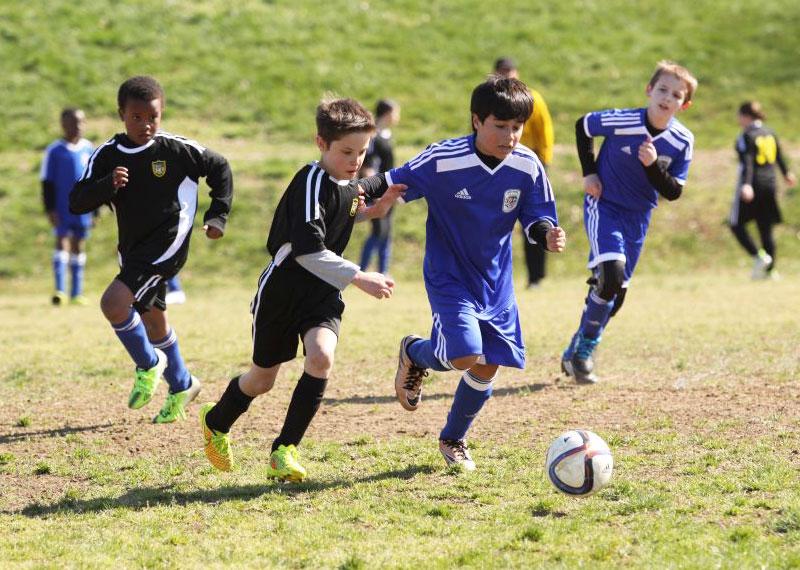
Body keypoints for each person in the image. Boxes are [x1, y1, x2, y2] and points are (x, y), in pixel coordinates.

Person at [198, 97, 404, 480]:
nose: (355, 160)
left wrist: (379, 207)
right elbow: (309, 248)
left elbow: (346, 214)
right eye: (346, 151)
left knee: (322, 357)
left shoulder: (347, 183)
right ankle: (216, 421)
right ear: (321, 143)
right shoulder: (310, 182)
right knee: (263, 379)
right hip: (283, 290)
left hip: (322, 293)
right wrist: (360, 276)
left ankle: (284, 451)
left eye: (361, 152)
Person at [390, 76, 566, 470]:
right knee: (465, 354)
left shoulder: (527, 165)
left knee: (488, 366)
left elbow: (536, 215)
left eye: (516, 127)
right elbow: (394, 180)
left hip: (496, 282)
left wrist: (545, 234)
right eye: (499, 126)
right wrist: (350, 194)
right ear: (476, 121)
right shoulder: (443, 159)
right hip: (450, 275)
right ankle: (415, 352)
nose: (510, 136)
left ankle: (454, 439)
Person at [70, 76, 233, 423]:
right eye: (136, 117)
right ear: (121, 115)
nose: (145, 125)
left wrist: (217, 214)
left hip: (168, 243)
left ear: (162, 113)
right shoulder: (108, 155)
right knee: (154, 323)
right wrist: (106, 184)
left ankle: (149, 364)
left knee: (113, 304)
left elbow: (219, 166)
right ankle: (182, 384)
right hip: (132, 249)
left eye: (152, 117)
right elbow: (77, 201)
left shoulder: (176, 150)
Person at [560, 61, 697, 384]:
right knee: (611, 276)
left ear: (684, 104)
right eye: (662, 89)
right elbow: (583, 125)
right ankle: (583, 355)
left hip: (638, 217)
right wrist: (588, 171)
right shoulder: (623, 121)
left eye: (676, 94)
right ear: (650, 90)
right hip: (604, 205)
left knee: (616, 293)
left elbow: (674, 191)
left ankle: (577, 346)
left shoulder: (682, 141)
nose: (667, 97)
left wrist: (652, 167)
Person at [494, 57, 555, 289]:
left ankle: (536, 277)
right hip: (499, 167)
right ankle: (496, 278)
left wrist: (543, 165)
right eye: (502, 71)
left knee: (535, 221)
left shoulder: (532, 99)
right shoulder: (490, 102)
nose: (507, 76)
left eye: (511, 71)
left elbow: (545, 132)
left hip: (529, 167)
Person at [729, 100, 796, 279]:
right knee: (765, 228)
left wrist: (747, 184)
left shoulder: (746, 135)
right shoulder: (769, 132)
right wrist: (786, 173)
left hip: (752, 185)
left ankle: (759, 257)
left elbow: (748, 161)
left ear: (745, 116)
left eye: (739, 115)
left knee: (735, 224)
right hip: (770, 184)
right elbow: (779, 156)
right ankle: (770, 270)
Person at [41, 108, 95, 305]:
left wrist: (95, 209)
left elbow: (93, 181)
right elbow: (46, 182)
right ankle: (60, 290)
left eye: (80, 122)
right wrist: (50, 209)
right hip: (62, 207)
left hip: (83, 208)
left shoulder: (89, 149)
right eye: (72, 123)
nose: (77, 126)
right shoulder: (54, 151)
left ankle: (77, 292)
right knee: (61, 241)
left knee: (79, 245)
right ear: (63, 125)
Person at [359, 99, 401, 274]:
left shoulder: (387, 135)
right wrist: (376, 193)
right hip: (377, 192)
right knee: (378, 232)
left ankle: (383, 273)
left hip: (388, 191)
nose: (398, 116)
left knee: (386, 232)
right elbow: (368, 166)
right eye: (396, 112)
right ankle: (361, 270)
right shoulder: (373, 136)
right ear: (387, 113)